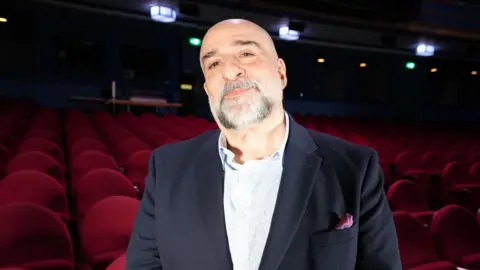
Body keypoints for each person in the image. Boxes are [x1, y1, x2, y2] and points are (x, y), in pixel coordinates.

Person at [126, 19, 401, 270]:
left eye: (246, 53)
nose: (230, 71)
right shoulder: (167, 166)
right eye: (213, 64)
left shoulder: (355, 167)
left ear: (280, 73)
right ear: (208, 88)